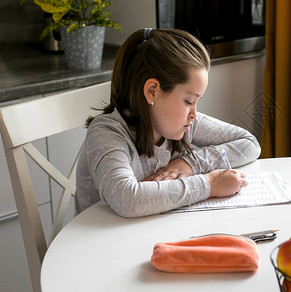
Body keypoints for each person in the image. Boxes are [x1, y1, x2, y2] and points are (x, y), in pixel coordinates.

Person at [75, 28, 261, 217]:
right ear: (152, 91)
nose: (194, 114)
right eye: (189, 101)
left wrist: (190, 163)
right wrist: (210, 184)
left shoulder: (184, 123)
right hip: (102, 242)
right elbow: (127, 200)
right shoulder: (106, 133)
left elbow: (249, 143)